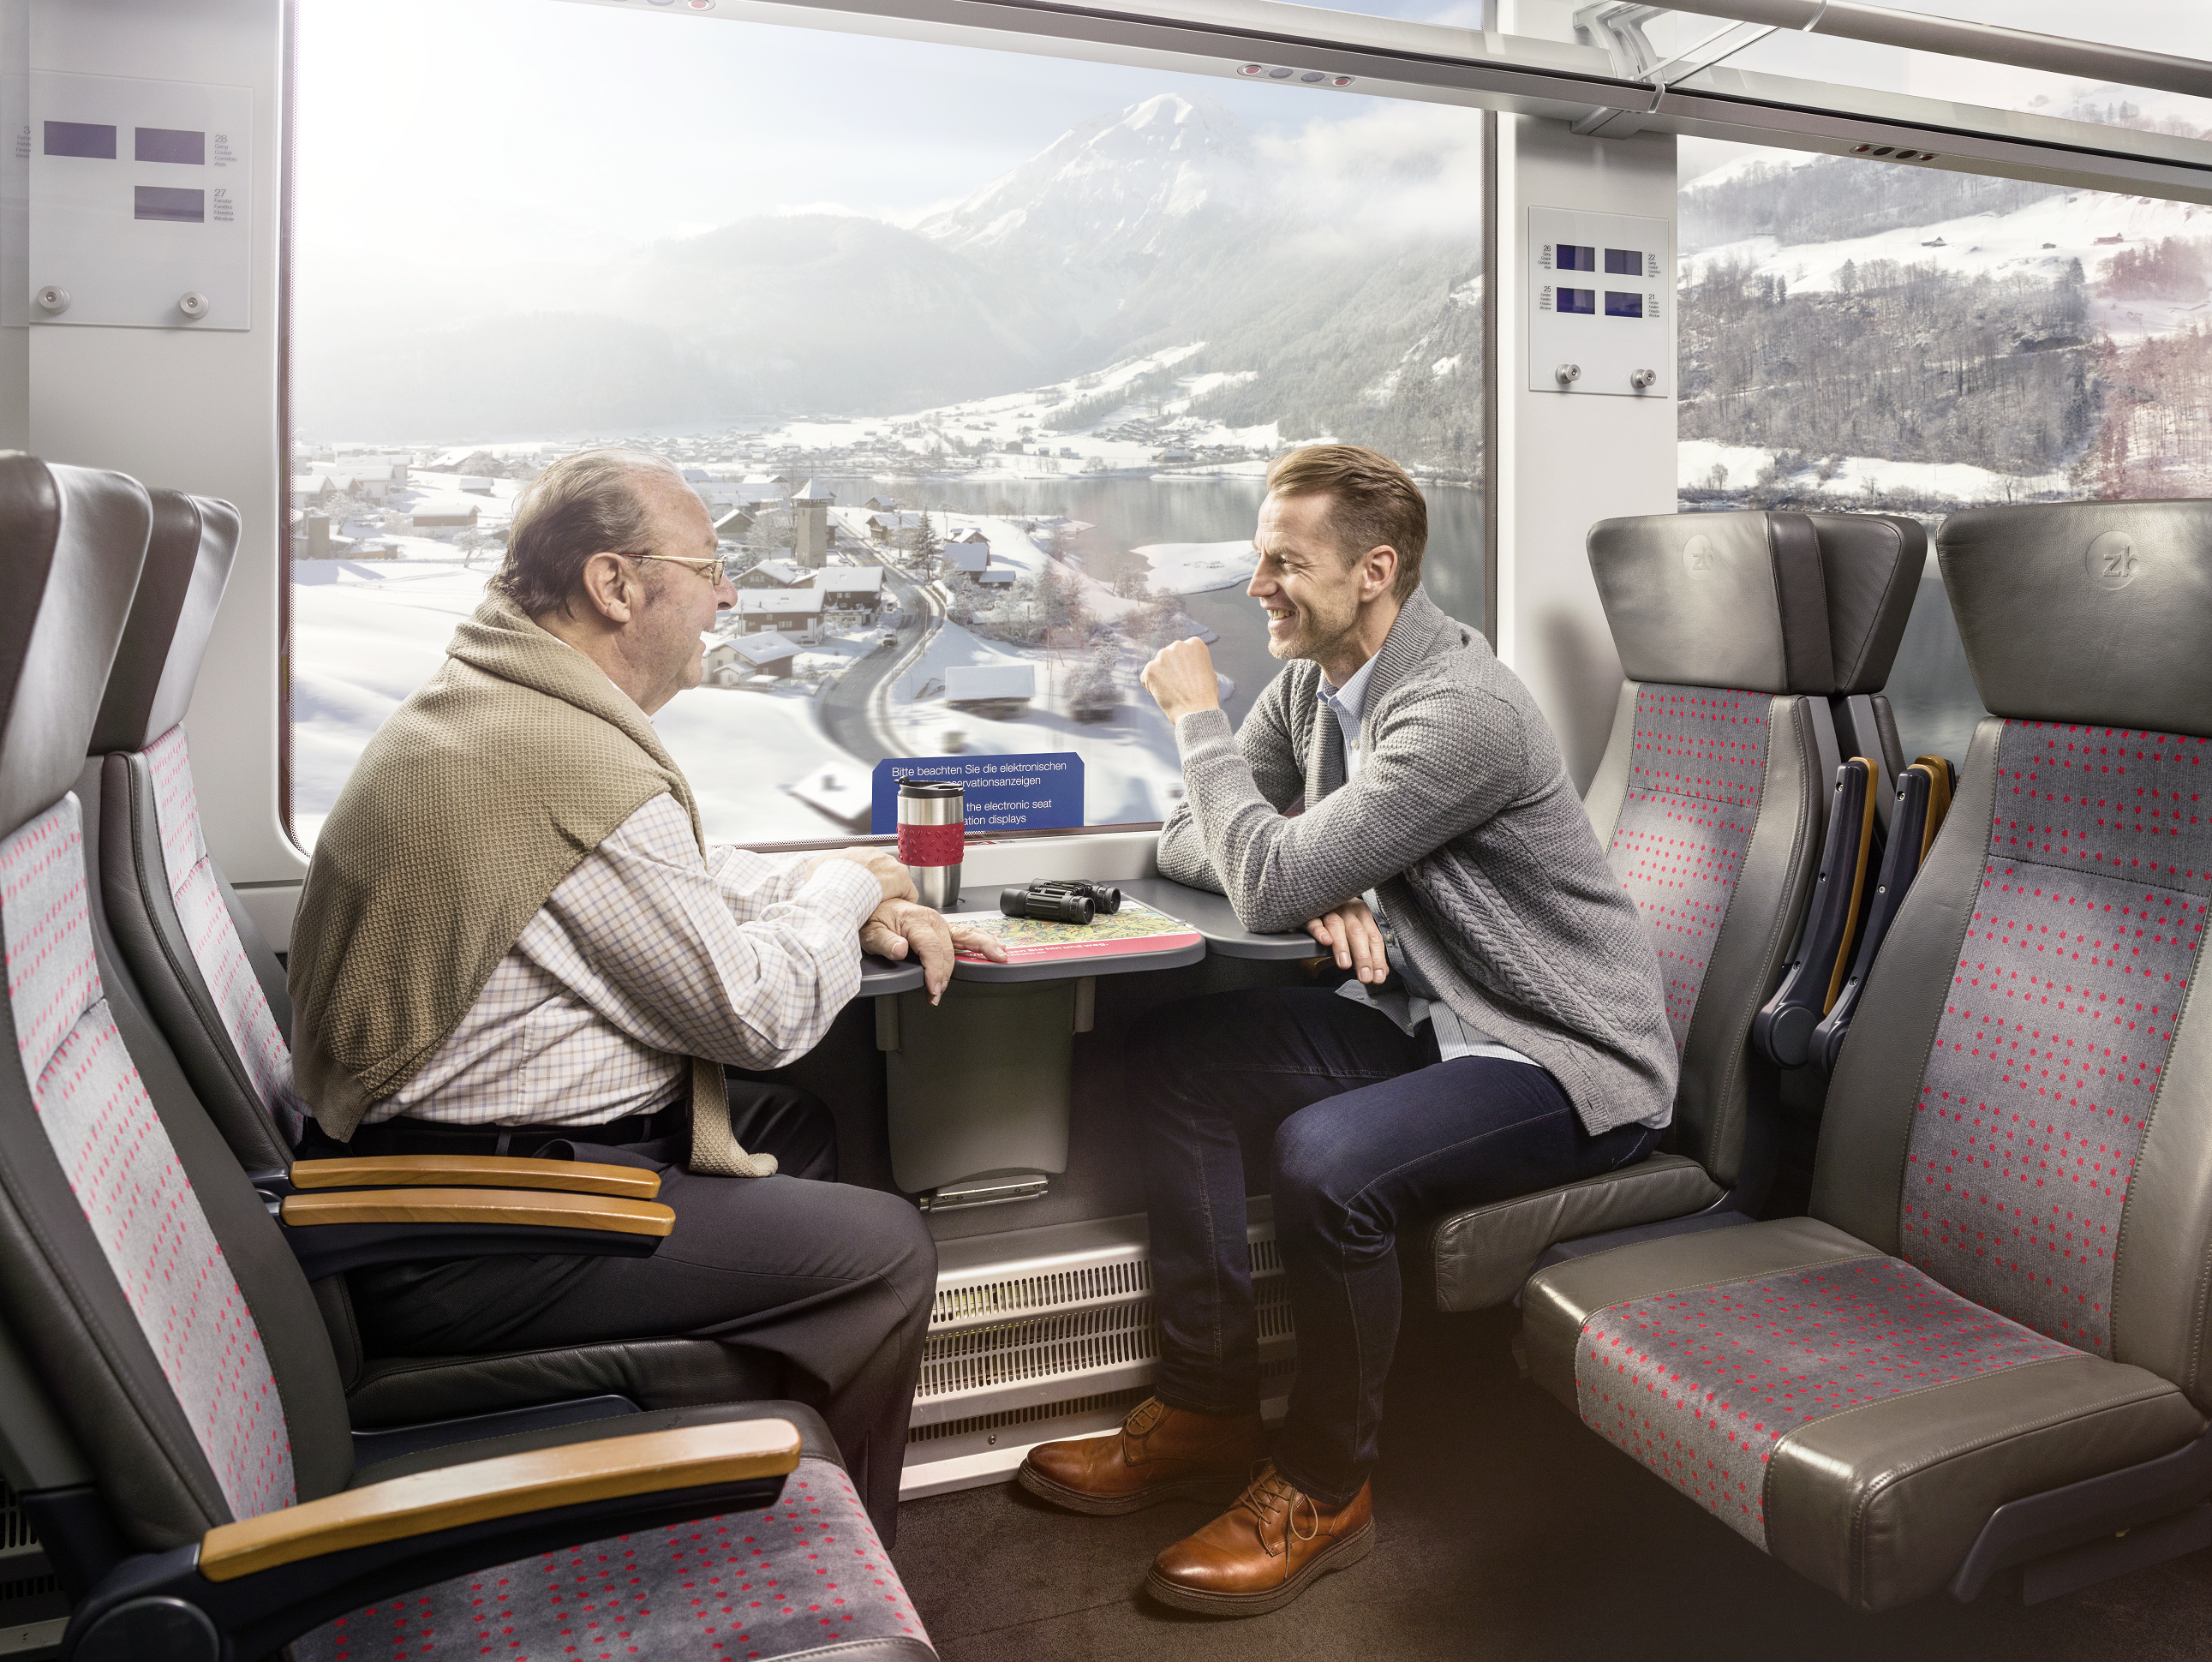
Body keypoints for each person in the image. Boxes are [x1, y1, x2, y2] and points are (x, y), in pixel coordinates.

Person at [288, 447, 1001, 1538]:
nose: (726, 595)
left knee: (793, 1126)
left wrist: (822, 887)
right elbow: (757, 1015)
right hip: (469, 1229)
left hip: (471, 1185)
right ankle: (834, 1548)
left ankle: (734, 1488)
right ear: (615, 585)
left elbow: (681, 872)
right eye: (708, 568)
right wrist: (847, 885)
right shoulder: (549, 756)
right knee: (887, 1250)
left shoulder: (511, 708)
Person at [1016, 445, 1678, 1612]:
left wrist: (1210, 743)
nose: (1257, 583)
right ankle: (1210, 1407)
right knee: (1173, 1064)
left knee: (1327, 1165)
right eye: (1260, 555)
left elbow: (1253, 866)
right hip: (1439, 1018)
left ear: (1374, 571)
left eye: (1286, 561)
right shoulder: (1313, 685)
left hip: (1564, 1055)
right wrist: (1324, 874)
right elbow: (1202, 840)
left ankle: (1324, 1487)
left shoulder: (1458, 710)